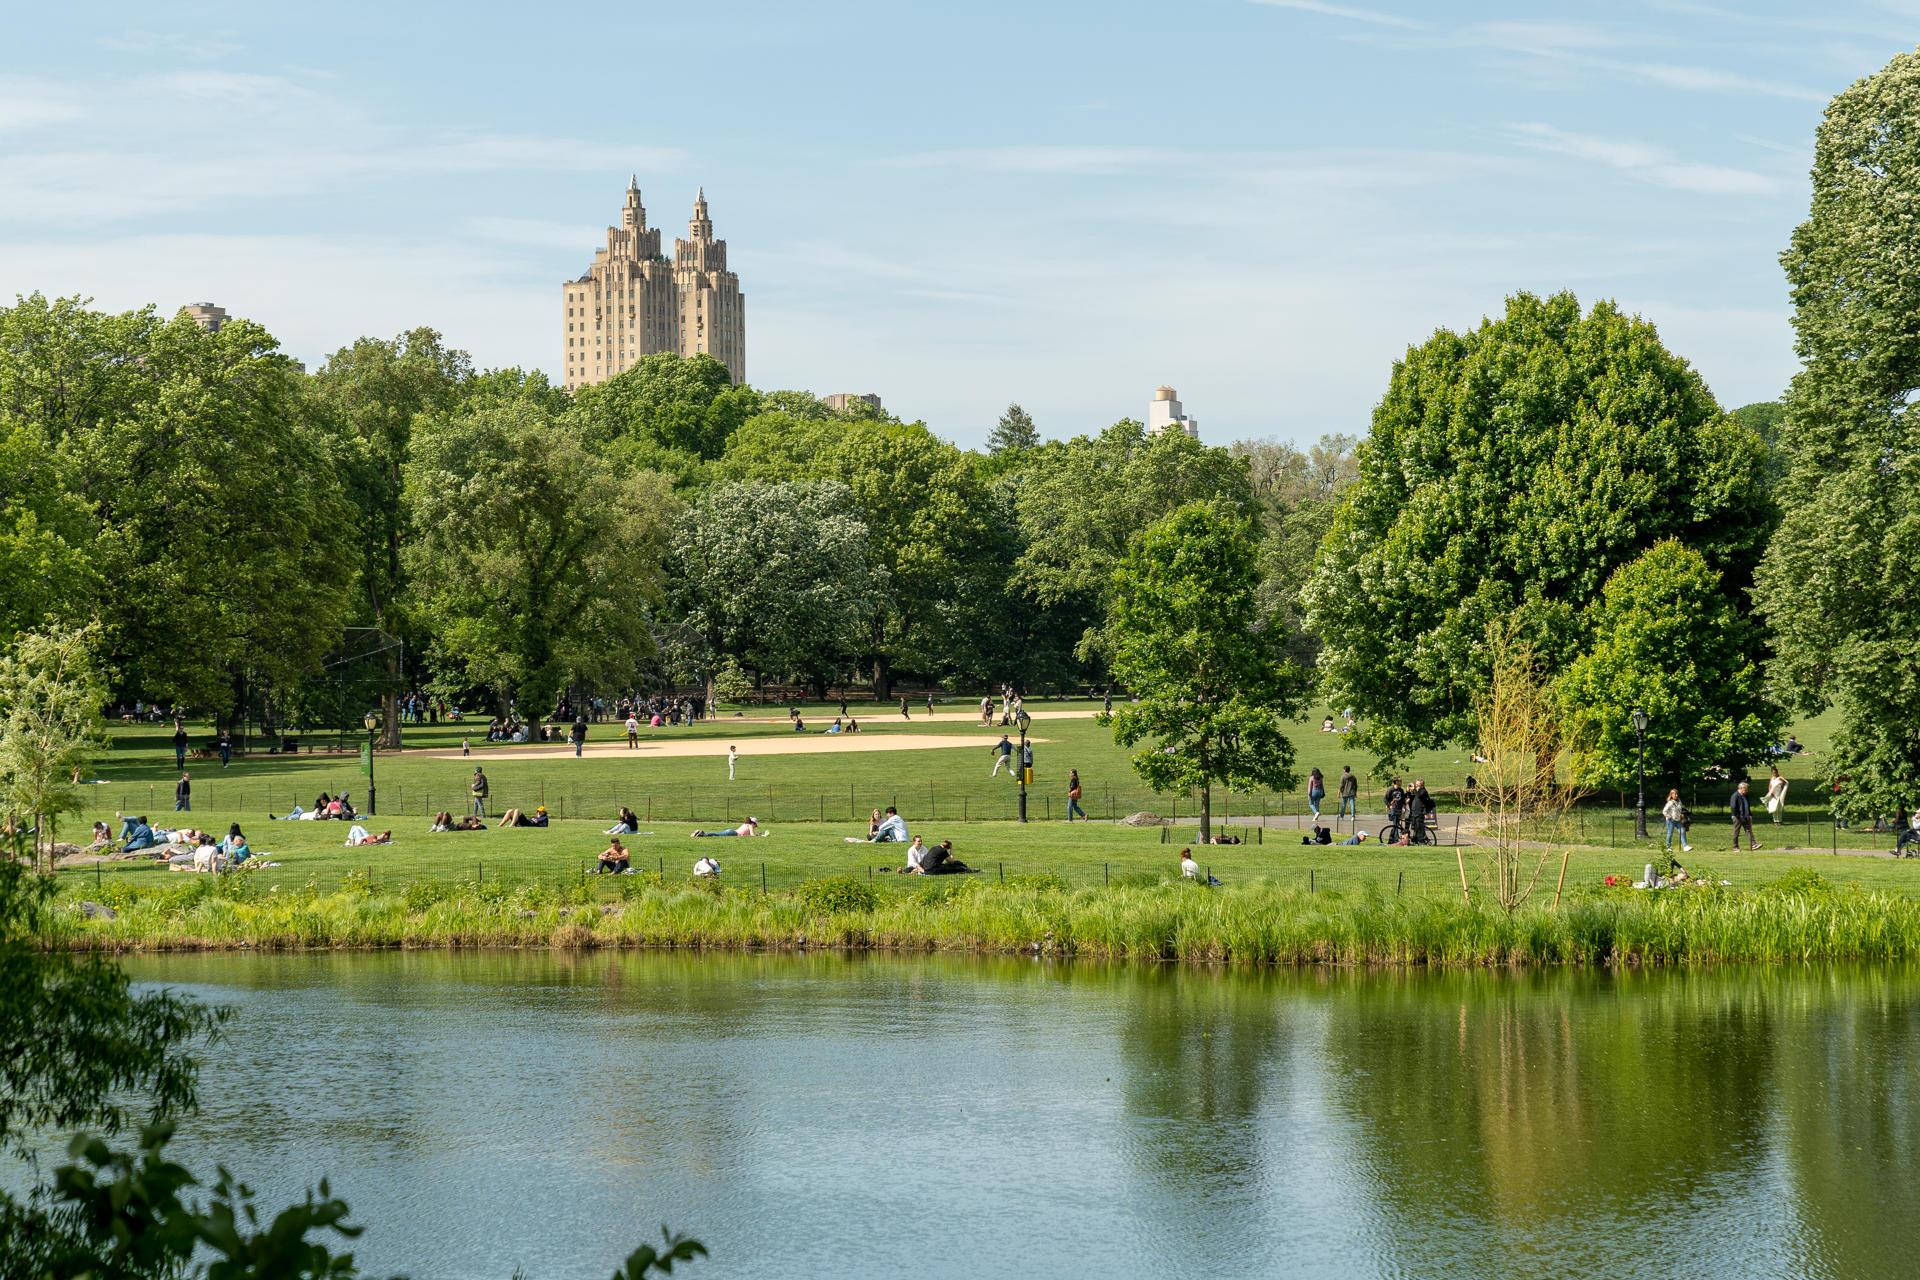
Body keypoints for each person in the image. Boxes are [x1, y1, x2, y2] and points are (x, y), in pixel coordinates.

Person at [1730, 779, 1760, 851]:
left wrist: (1750, 814)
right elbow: (1733, 807)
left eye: (1747, 789)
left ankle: (1754, 844)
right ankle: (1735, 847)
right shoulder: (1735, 796)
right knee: (1736, 832)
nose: (1747, 791)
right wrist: (1738, 816)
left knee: (1748, 830)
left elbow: (1747, 806)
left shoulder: (1745, 795)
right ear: (1741, 788)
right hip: (1737, 817)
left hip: (1745, 816)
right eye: (1745, 789)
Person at [1661, 789, 1693, 853]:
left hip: (1678, 820)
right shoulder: (1670, 803)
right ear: (1671, 795)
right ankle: (1668, 847)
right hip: (1671, 821)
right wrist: (1669, 817)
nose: (1676, 795)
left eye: (1677, 794)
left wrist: (1682, 814)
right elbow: (1664, 811)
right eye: (1675, 794)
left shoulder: (1679, 801)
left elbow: (1680, 809)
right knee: (1670, 833)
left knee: (1682, 831)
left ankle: (1685, 846)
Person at [692, 817, 762, 837]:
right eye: (755, 825)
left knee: (717, 834)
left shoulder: (746, 824)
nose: (755, 826)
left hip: (732, 831)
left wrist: (757, 834)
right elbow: (752, 835)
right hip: (733, 833)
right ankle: (703, 834)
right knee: (717, 834)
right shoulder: (750, 825)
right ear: (754, 823)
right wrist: (759, 836)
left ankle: (700, 833)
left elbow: (747, 834)